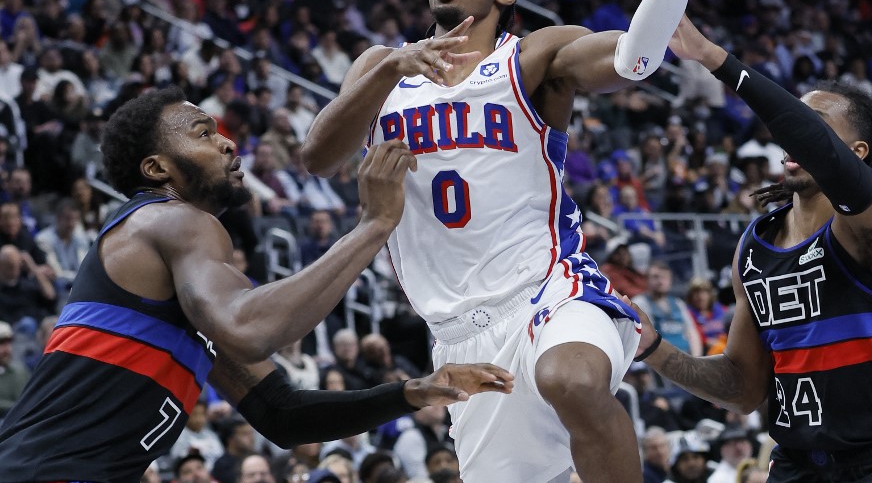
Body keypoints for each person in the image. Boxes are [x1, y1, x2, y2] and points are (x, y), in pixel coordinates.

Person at [300, 0, 700, 483]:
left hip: (549, 290)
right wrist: (389, 70)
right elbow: (318, 156)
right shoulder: (382, 69)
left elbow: (636, 60)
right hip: (458, 335)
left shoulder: (533, 57)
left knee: (570, 377)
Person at [0, 86, 513, 482]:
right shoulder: (171, 220)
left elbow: (281, 414)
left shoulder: (179, 289)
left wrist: (414, 391)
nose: (227, 140)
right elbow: (250, 329)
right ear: (157, 168)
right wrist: (373, 225)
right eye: (202, 133)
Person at [621, 0, 872, 482]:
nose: (792, 134)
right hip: (793, 466)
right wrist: (656, 351)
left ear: (856, 152)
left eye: (811, 124)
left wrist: (715, 59)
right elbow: (744, 386)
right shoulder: (754, 248)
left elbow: (808, 138)